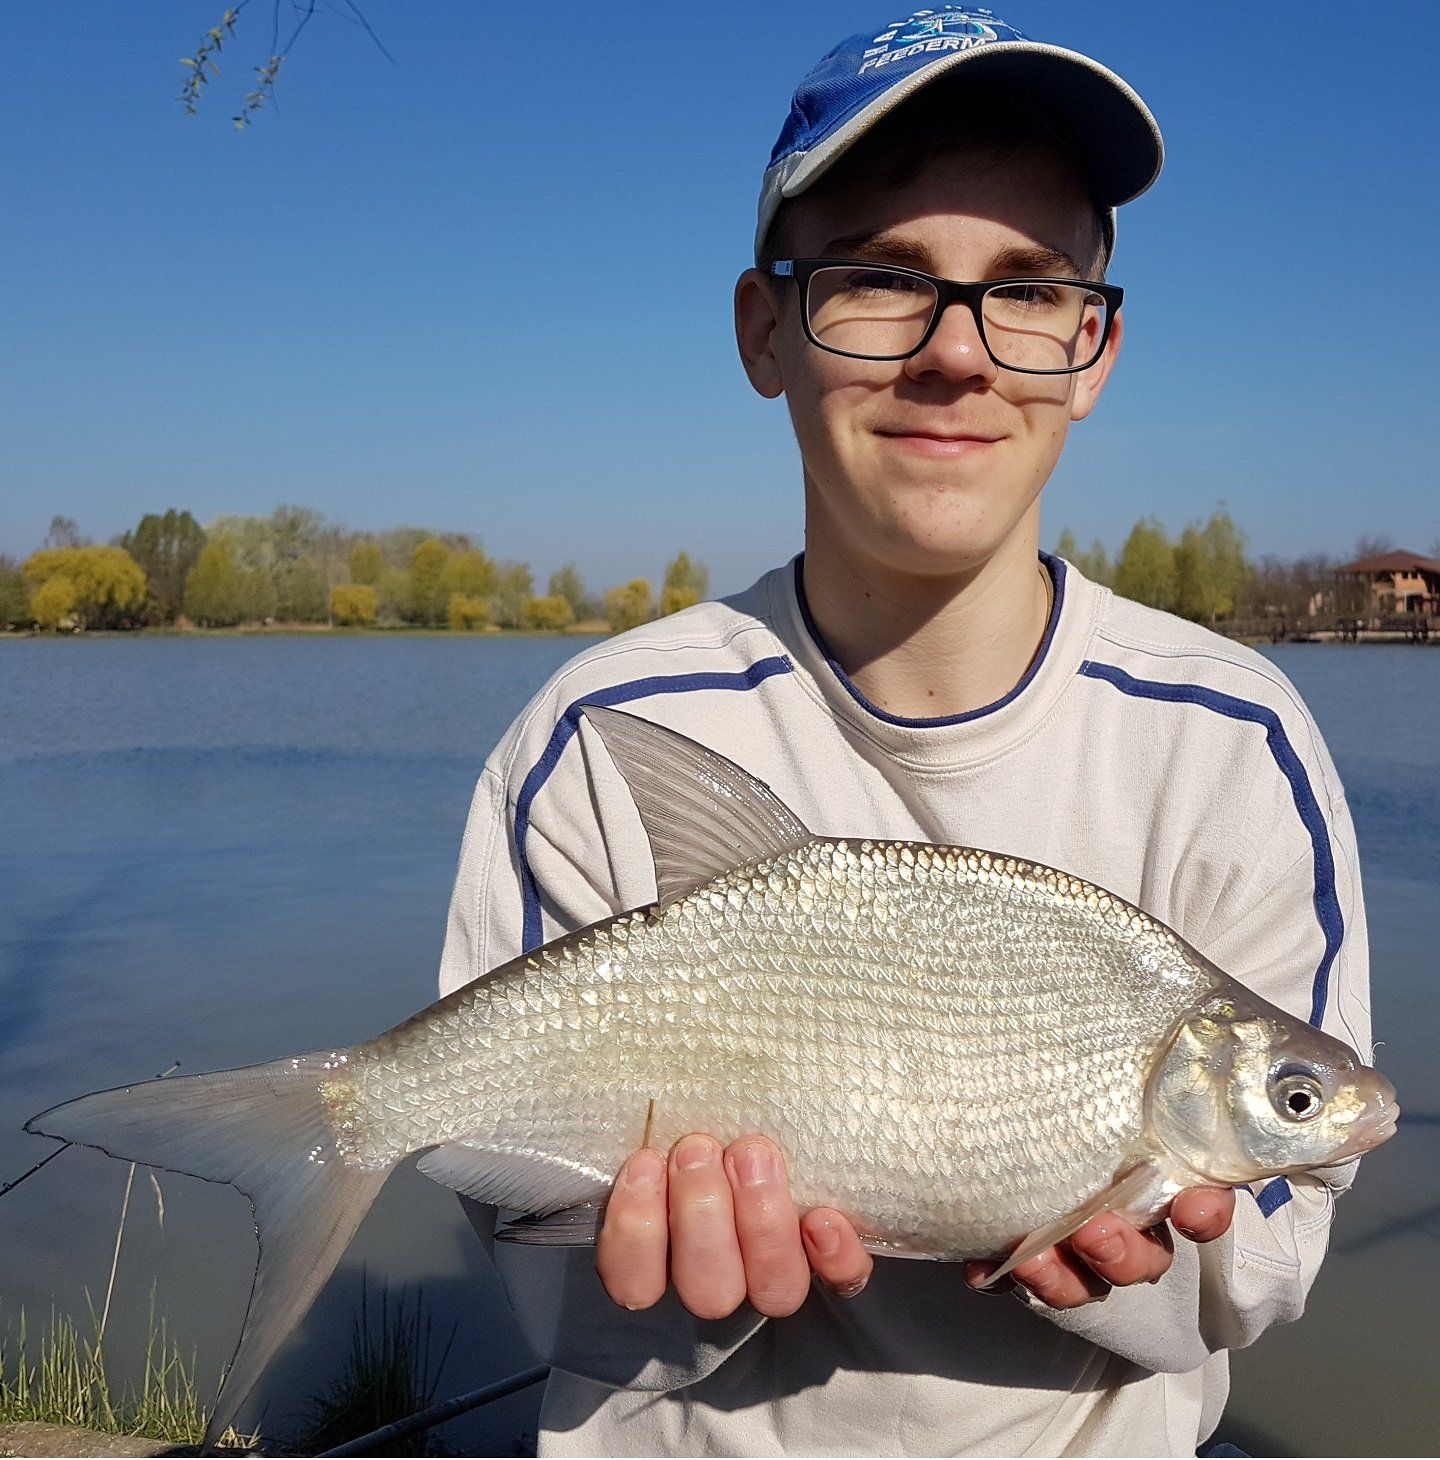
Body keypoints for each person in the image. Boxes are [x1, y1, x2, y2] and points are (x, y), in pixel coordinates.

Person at [439, 7, 1373, 1455]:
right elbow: (511, 1234)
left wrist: (1113, 1267)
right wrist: (679, 1285)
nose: (957, 355)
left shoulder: (1233, 740)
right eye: (881, 279)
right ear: (765, 329)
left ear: (1095, 349)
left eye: (1029, 288)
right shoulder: (594, 735)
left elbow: (1272, 1258)